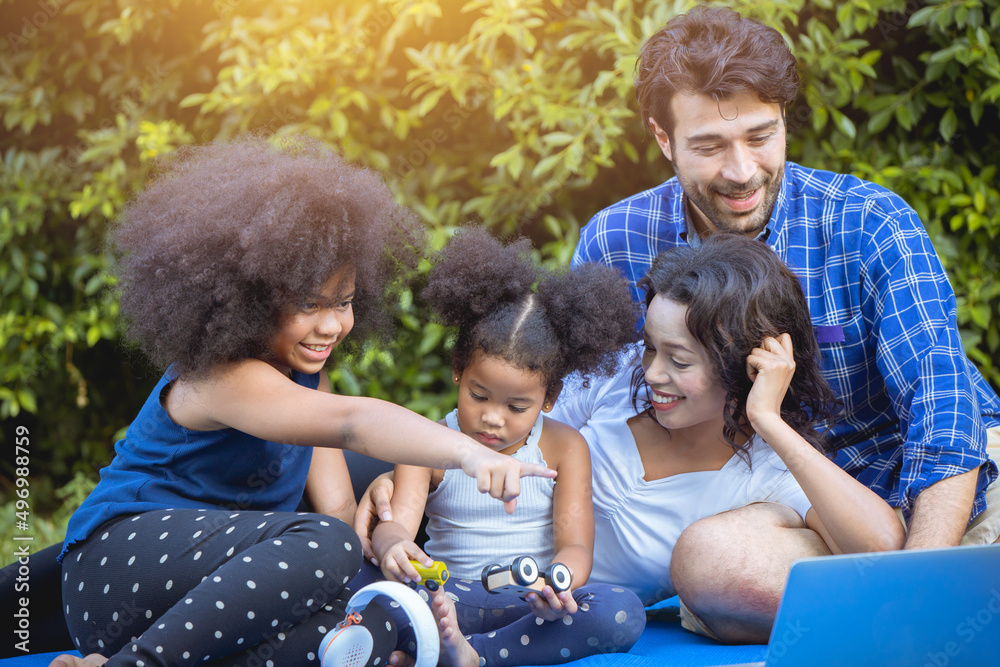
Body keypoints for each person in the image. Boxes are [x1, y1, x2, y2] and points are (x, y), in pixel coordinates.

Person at [571, 4, 1000, 637]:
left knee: (945, 592)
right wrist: (429, 475)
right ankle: (912, 617)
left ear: (783, 121)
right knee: (709, 563)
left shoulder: (869, 224)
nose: (742, 171)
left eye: (760, 136)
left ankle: (915, 610)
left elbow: (943, 409)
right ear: (664, 139)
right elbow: (552, 403)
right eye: (710, 146)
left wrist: (922, 577)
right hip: (784, 507)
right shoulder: (615, 242)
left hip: (939, 490)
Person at [47, 138, 555, 667]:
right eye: (309, 304)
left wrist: (388, 550)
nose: (332, 324)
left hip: (191, 612)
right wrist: (470, 454)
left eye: (344, 301)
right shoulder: (221, 379)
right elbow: (353, 425)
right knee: (327, 544)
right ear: (248, 296)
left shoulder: (310, 384)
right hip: (118, 571)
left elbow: (338, 510)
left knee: (373, 618)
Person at [359, 233, 906, 646]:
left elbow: (883, 549)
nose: (652, 374)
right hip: (456, 539)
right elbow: (503, 419)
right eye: (651, 347)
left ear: (744, 366)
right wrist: (406, 475)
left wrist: (768, 418)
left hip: (553, 601)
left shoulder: (765, 470)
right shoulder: (616, 380)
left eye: (680, 360)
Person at [352, 227, 644, 666]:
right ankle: (448, 649)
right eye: (479, 395)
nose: (493, 417)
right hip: (445, 597)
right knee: (358, 579)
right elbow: (398, 522)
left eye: (517, 406)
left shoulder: (565, 447)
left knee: (621, 611)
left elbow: (576, 546)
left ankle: (467, 656)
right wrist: (394, 546)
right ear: (457, 371)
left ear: (550, 398)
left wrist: (558, 584)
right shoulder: (429, 441)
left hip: (527, 610)